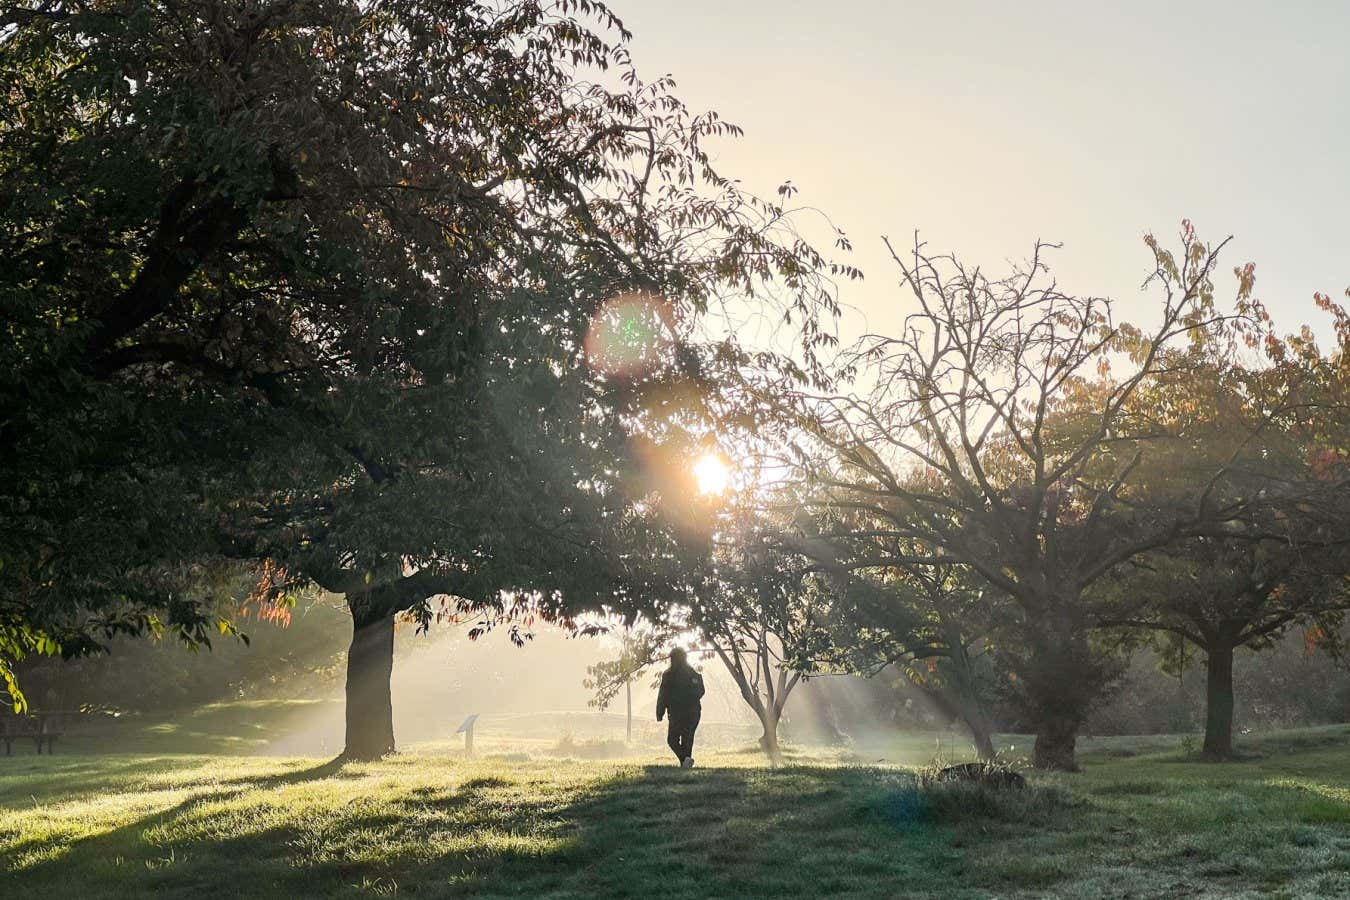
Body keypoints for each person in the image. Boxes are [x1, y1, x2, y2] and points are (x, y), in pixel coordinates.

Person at [655, 647, 705, 767]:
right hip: (688, 712)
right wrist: (660, 712)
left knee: (674, 740)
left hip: (682, 712)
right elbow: (701, 691)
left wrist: (660, 712)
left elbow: (663, 695)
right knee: (684, 739)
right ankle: (685, 761)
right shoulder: (689, 673)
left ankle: (684, 762)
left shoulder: (671, 675)